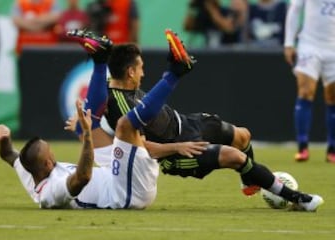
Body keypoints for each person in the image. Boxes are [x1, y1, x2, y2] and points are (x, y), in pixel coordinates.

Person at [65, 28, 324, 212]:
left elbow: (98, 105)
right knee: (235, 157)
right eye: (141, 68)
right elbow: (142, 148)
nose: (144, 73)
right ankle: (298, 199)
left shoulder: (122, 88)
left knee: (242, 135)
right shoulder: (117, 105)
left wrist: (104, 58)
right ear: (131, 71)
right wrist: (177, 148)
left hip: (186, 123)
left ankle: (249, 180)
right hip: (174, 152)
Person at [0, 32, 206, 209]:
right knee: (124, 126)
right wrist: (88, 139)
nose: (54, 155)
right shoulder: (51, 192)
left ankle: (100, 59)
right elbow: (82, 176)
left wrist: (4, 137)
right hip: (126, 194)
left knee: (89, 126)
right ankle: (176, 72)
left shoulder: (31, 172)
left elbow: (9, 155)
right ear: (46, 163)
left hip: (112, 174)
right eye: (50, 153)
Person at [284, 0, 335, 163]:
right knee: (306, 91)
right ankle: (302, 146)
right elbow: (295, 8)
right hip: (310, 45)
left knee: (332, 97)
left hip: (333, 48)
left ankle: (332, 149)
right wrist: (289, 43)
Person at [183, 0, 247, 47]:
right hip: (208, 52)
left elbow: (228, 28)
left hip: (227, 52)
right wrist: (192, 7)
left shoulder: (226, 12)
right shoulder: (204, 15)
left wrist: (211, 8)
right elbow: (187, 27)